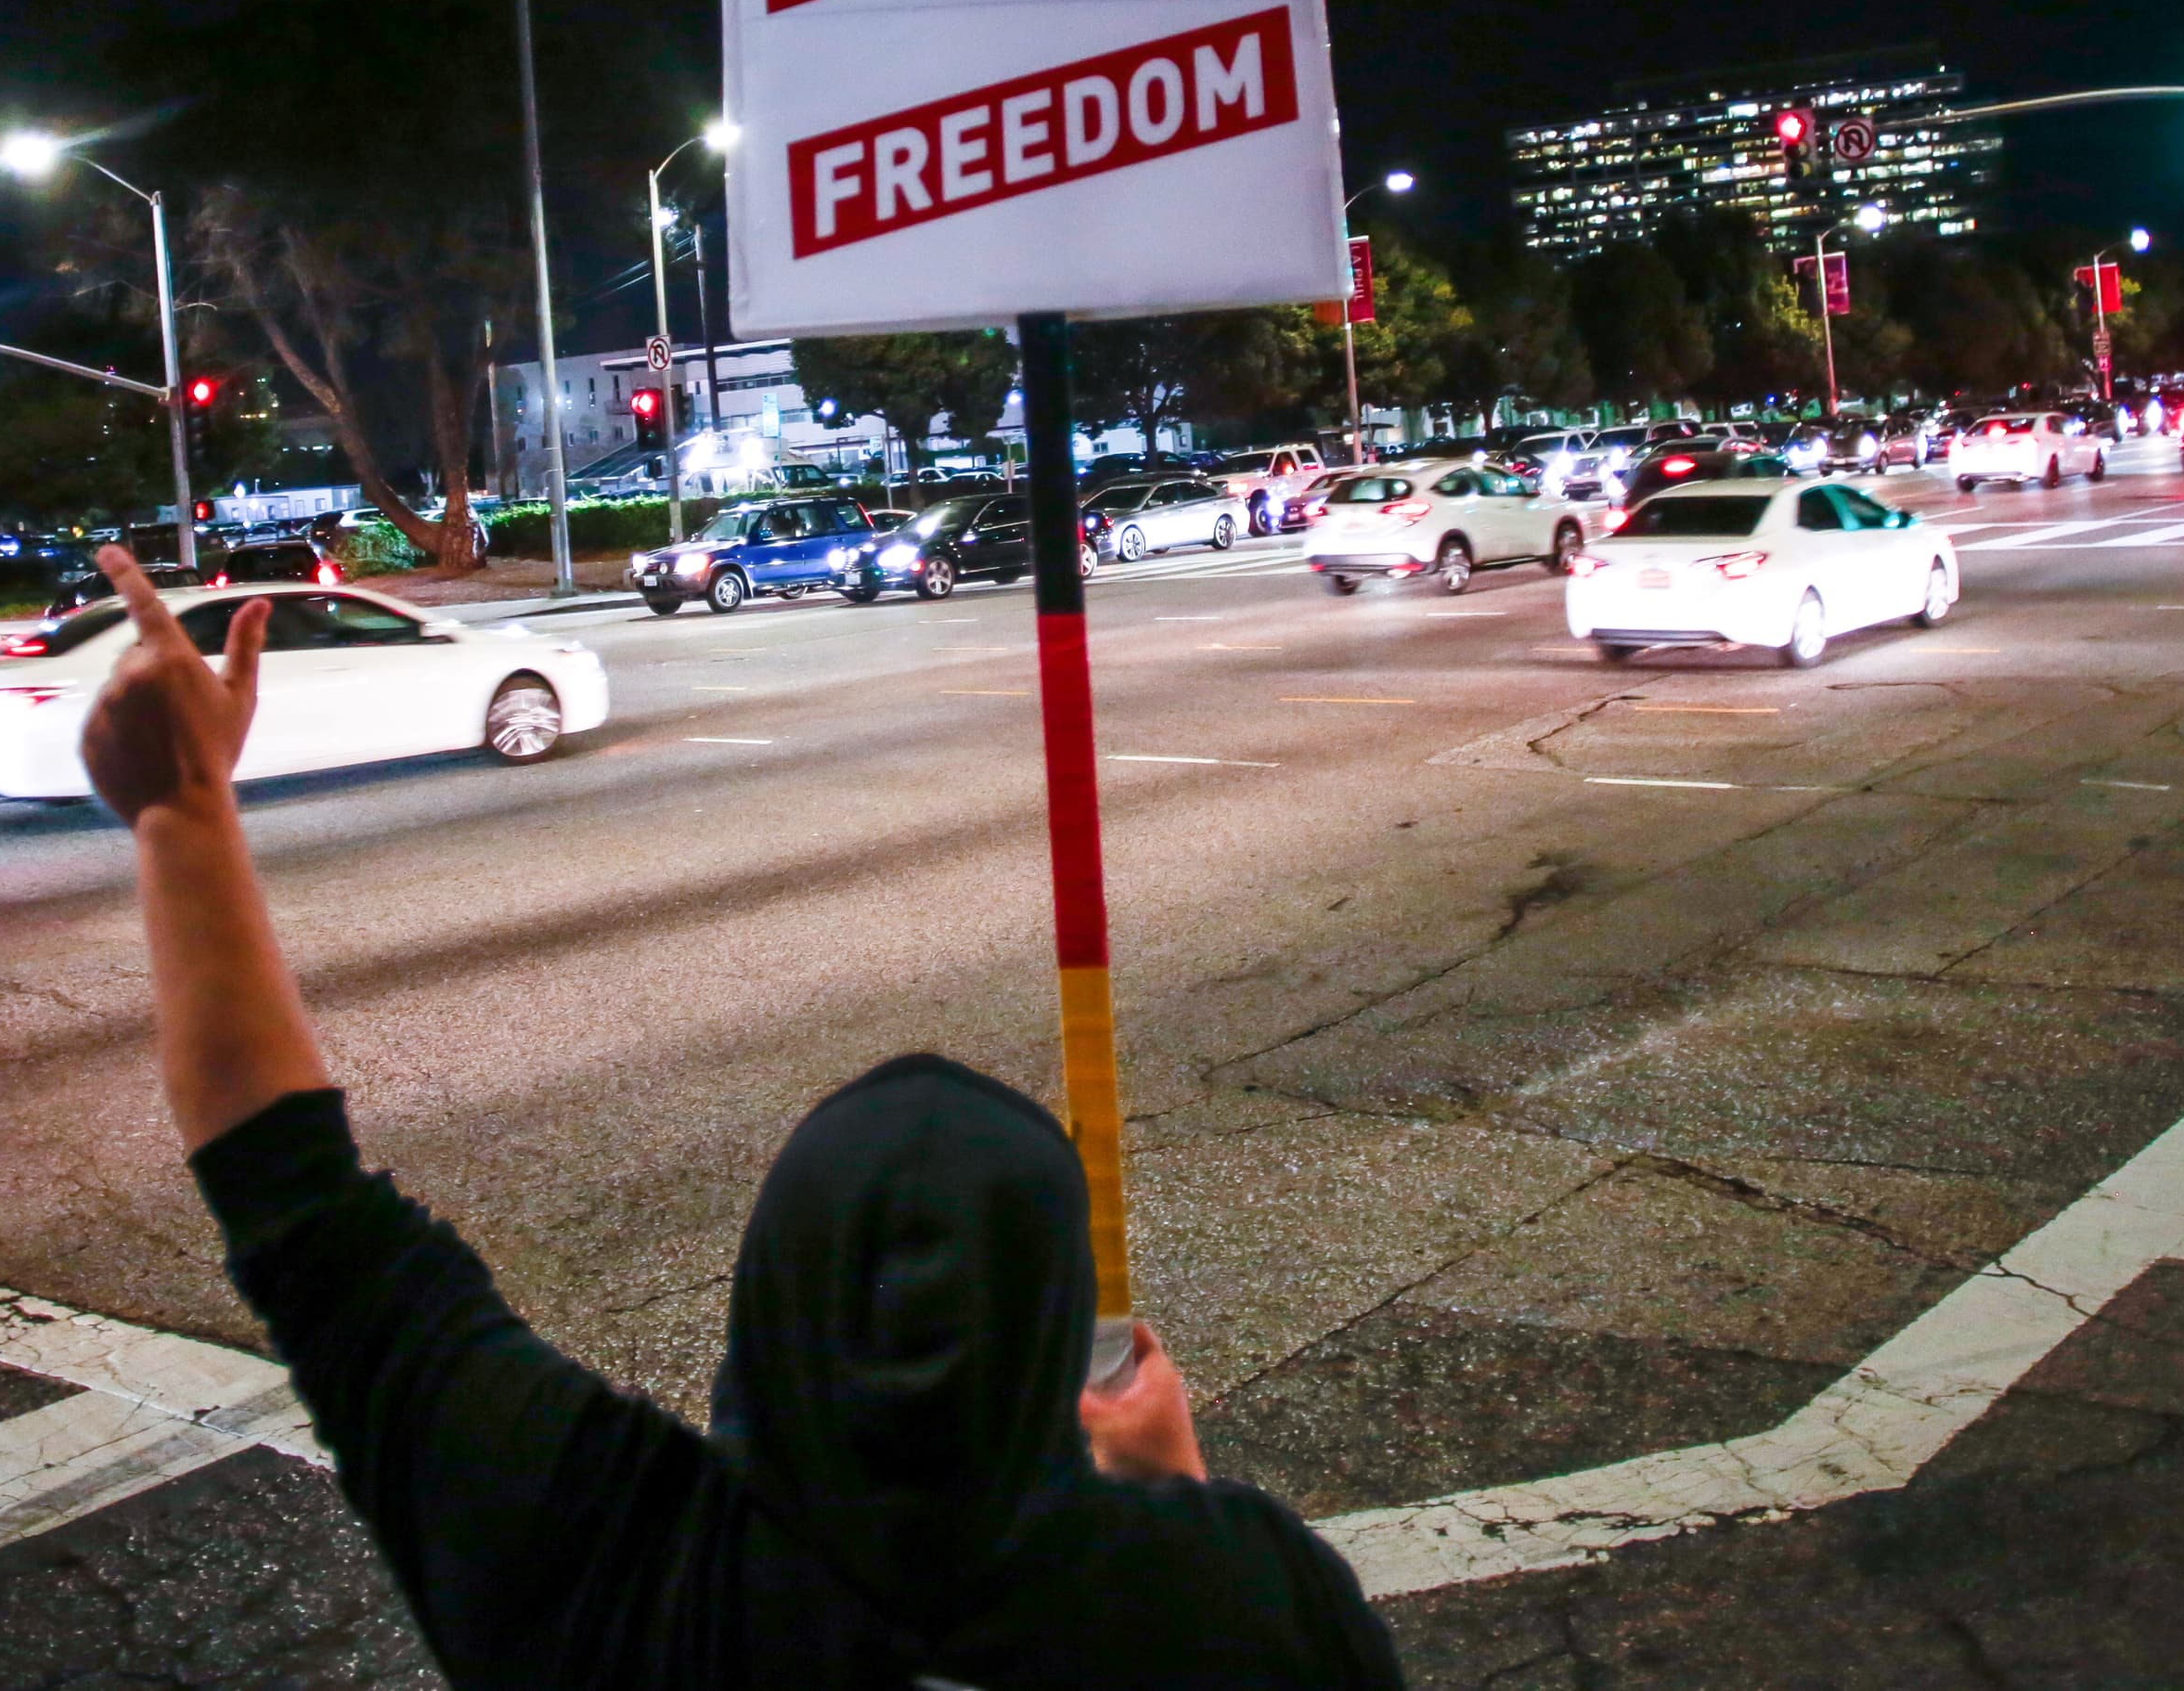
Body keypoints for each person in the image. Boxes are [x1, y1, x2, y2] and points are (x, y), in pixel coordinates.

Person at [83, 548, 1402, 1688]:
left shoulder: (612, 1562)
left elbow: (297, 1203)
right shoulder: (1248, 1607)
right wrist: (1171, 1499)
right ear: (1056, 1326)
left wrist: (181, 809)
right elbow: (293, 1198)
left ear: (766, 1307)